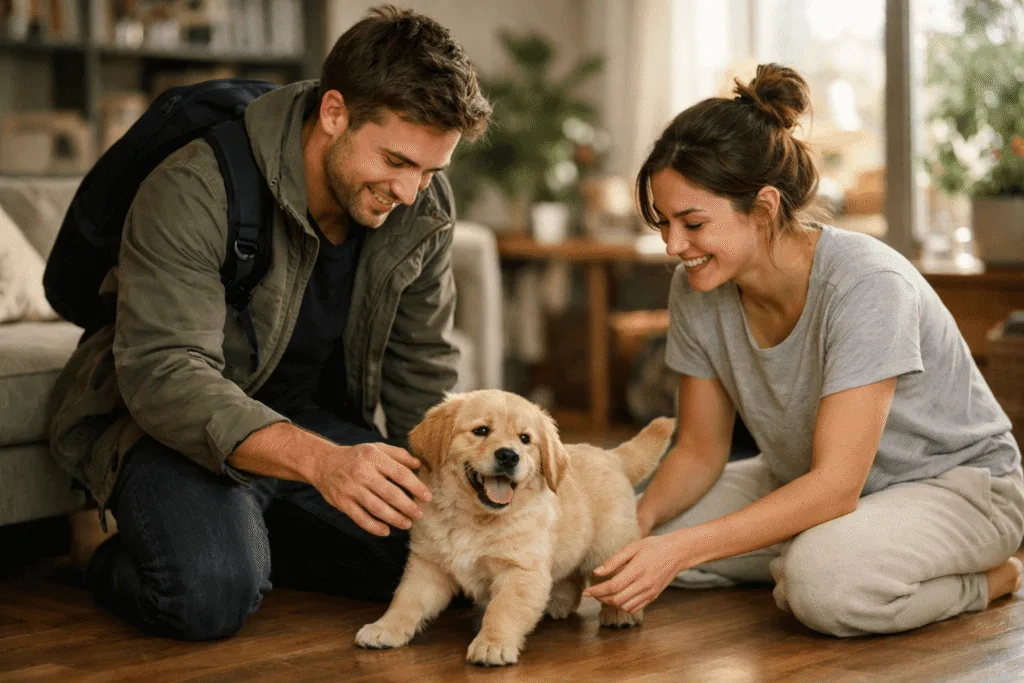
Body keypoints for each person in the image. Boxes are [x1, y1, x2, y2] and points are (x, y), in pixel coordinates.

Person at [48, 5, 491, 640]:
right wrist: (321, 464)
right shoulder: (196, 185)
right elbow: (165, 375)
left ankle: (250, 528)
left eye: (430, 170)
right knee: (209, 596)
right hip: (175, 430)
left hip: (315, 424)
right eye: (396, 161)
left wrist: (455, 491)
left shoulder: (422, 205)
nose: (410, 192)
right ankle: (107, 551)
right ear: (334, 113)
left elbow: (421, 365)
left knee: (455, 566)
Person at [583, 63, 1024, 637]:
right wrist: (638, 525)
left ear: (764, 207)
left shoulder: (866, 284)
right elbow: (699, 449)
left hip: (956, 489)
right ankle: (821, 550)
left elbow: (837, 483)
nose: (673, 245)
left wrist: (682, 550)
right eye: (663, 223)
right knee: (628, 539)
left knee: (821, 585)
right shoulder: (698, 288)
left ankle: (986, 579)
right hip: (809, 481)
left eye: (691, 222)